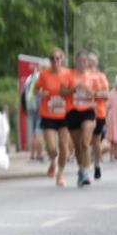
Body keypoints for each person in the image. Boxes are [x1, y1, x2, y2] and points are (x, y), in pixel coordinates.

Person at [35, 48, 73, 187]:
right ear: (49, 60)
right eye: (52, 58)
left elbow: (74, 90)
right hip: (48, 114)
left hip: (64, 114)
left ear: (62, 59)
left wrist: (68, 92)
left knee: (64, 147)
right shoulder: (44, 75)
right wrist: (41, 94)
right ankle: (53, 162)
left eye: (58, 58)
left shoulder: (68, 74)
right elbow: (36, 89)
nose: (55, 61)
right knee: (52, 147)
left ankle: (60, 174)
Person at [64, 50, 98, 187]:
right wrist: (73, 89)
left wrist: (93, 93)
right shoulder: (69, 75)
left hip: (88, 111)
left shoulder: (93, 76)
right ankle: (81, 170)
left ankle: (85, 172)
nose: (83, 63)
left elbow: (103, 93)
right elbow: (62, 92)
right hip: (72, 111)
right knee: (77, 146)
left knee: (84, 142)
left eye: (85, 61)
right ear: (76, 61)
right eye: (80, 61)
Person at [88, 52, 109, 179]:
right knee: (84, 140)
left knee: (96, 140)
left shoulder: (100, 77)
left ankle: (96, 164)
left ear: (96, 63)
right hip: (83, 111)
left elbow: (106, 94)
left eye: (92, 62)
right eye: (87, 62)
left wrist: (93, 94)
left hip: (98, 112)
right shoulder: (82, 76)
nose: (89, 65)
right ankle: (86, 164)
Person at [22, 68, 45, 160]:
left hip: (30, 106)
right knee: (39, 131)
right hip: (39, 107)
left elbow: (23, 93)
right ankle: (40, 154)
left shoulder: (29, 78)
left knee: (32, 132)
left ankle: (32, 155)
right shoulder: (41, 77)